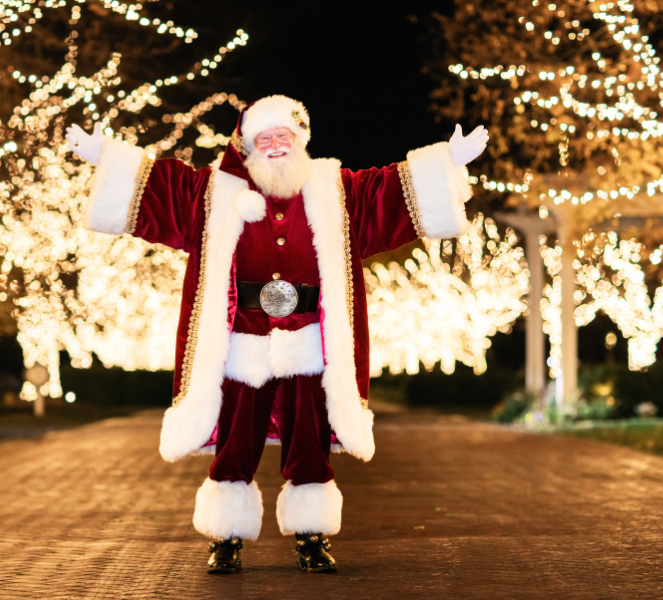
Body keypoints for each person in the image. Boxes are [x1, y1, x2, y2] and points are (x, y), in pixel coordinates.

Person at [66, 95, 488, 574]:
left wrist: (447, 161)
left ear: (300, 139)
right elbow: (162, 186)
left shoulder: (335, 188)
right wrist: (107, 155)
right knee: (235, 438)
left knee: (308, 438)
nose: (275, 145)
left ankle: (312, 535)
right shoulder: (214, 190)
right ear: (247, 145)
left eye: (283, 136)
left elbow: (388, 192)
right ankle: (225, 537)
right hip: (242, 337)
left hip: (309, 339)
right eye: (263, 138)